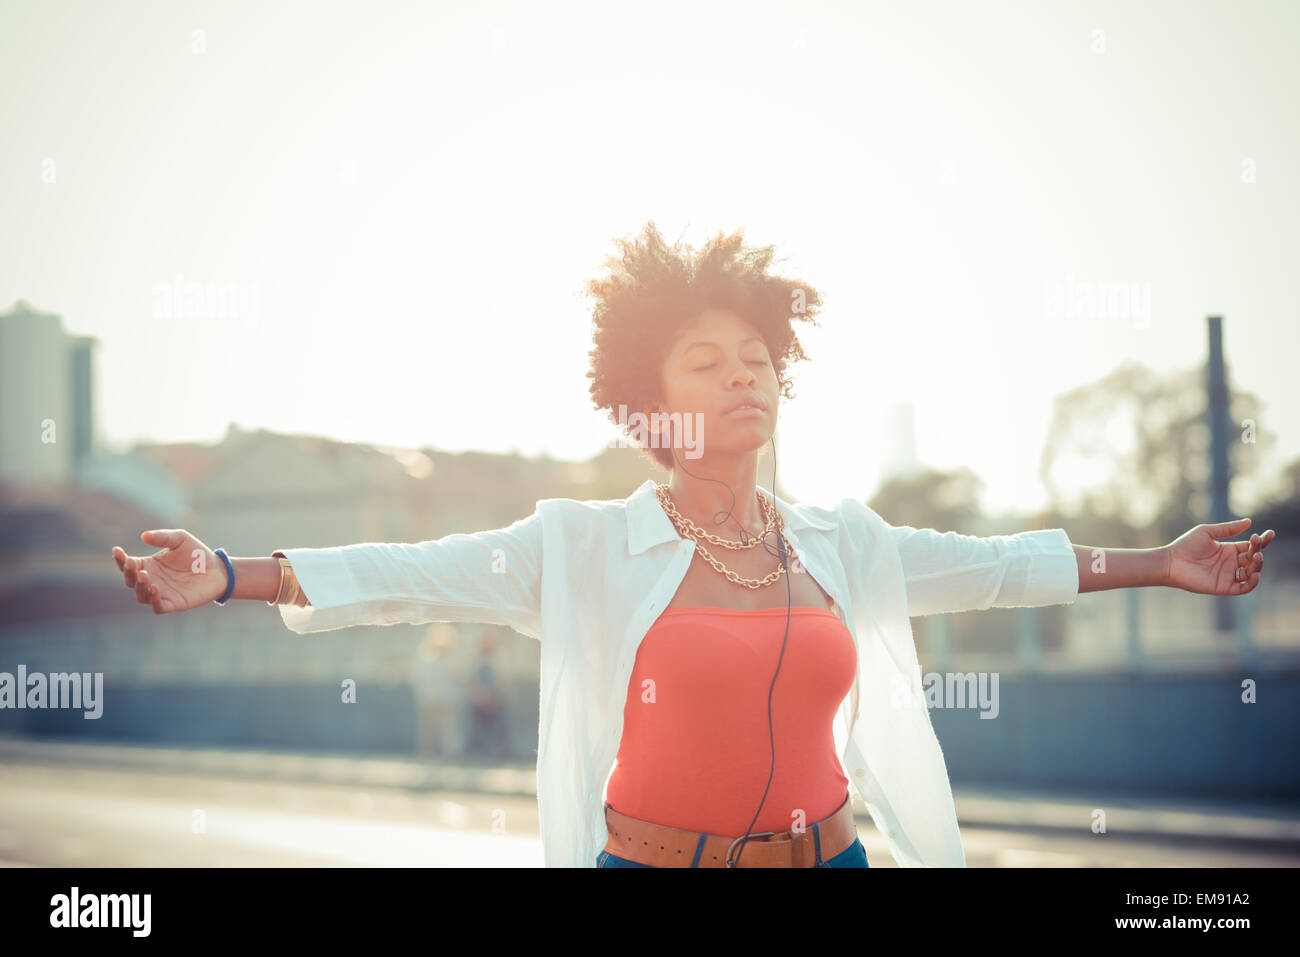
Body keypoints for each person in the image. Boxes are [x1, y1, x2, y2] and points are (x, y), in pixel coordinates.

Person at [112, 221, 1277, 868]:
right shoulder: (580, 544)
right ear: (645, 406)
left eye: (757, 361)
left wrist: (1159, 561)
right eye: (705, 363)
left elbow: (999, 564)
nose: (742, 379)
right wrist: (226, 576)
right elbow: (410, 579)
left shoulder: (841, 542)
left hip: (835, 866)